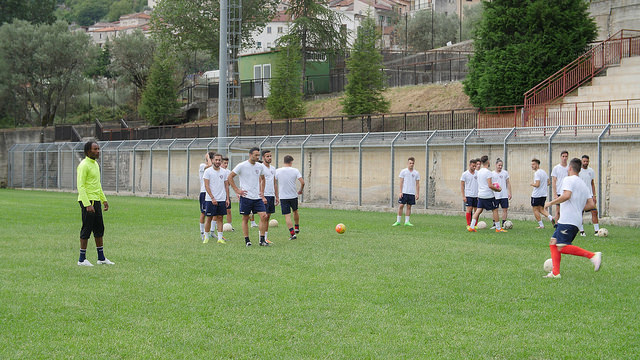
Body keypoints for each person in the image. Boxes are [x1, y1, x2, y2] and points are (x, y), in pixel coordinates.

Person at [543, 157, 602, 278]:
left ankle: (593, 256)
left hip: (568, 220)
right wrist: (578, 207)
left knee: (562, 247)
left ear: (570, 168)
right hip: (575, 220)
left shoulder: (568, 179)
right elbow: (591, 204)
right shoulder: (583, 184)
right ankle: (555, 273)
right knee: (553, 242)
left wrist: (550, 203)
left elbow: (566, 195)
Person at [76, 140, 114, 266]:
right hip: (88, 201)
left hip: (96, 200)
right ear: (88, 151)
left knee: (99, 228)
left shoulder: (95, 164)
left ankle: (101, 258)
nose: (98, 151)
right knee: (87, 228)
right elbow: (80, 186)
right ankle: (82, 259)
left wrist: (103, 199)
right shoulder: (84, 165)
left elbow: (97, 184)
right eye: (95, 149)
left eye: (98, 149)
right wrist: (87, 204)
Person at [228, 147, 269, 247]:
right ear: (250, 155)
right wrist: (237, 190)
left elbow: (263, 179)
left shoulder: (260, 166)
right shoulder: (242, 165)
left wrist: (262, 192)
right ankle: (247, 240)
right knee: (245, 218)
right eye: (255, 155)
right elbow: (230, 177)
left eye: (258, 155)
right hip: (246, 197)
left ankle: (262, 240)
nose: (257, 157)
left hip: (257, 197)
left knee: (264, 216)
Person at [468, 155, 505, 232]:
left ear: (481, 163)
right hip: (488, 195)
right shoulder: (488, 172)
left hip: (480, 194)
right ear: (488, 162)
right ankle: (498, 228)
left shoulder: (478, 172)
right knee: (495, 210)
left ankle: (471, 226)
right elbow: (490, 185)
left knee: (478, 210)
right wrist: (498, 189)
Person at [275, 155, 304, 240]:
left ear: (284, 162)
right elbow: (302, 182)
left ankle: (292, 234)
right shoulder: (295, 170)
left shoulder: (278, 171)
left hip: (283, 197)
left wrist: (275, 194)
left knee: (287, 216)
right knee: (295, 211)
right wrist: (300, 190)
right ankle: (297, 227)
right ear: (291, 162)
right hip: (293, 195)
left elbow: (274, 182)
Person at [202, 153, 230, 244]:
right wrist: (212, 198)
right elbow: (206, 186)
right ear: (213, 160)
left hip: (221, 199)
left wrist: (227, 198)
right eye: (216, 160)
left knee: (220, 218)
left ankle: (220, 238)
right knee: (209, 218)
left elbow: (226, 186)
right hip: (210, 199)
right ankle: (206, 237)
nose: (218, 162)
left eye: (219, 160)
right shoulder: (208, 171)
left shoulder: (224, 172)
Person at [392, 157, 420, 226]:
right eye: (410, 163)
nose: (411, 164)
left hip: (411, 193)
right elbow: (401, 182)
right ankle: (398, 221)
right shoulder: (403, 171)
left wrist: (417, 193)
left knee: (409, 207)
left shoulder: (416, 173)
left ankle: (407, 222)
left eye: (412, 163)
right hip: (404, 192)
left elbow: (417, 184)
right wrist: (400, 192)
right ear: (408, 163)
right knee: (401, 205)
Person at [579, 155, 600, 236]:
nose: (585, 163)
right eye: (584, 161)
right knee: (580, 213)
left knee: (594, 211)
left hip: (590, 195)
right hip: (581, 196)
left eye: (587, 161)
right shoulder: (578, 171)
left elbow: (592, 183)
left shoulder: (591, 171)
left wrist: (594, 195)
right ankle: (581, 231)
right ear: (581, 161)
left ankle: (597, 231)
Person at [261, 150, 279, 244]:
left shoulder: (273, 168)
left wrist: (276, 196)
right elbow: (259, 181)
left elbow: (274, 183)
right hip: (264, 195)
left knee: (268, 217)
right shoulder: (261, 168)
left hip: (271, 195)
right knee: (264, 216)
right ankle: (261, 237)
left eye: (270, 156)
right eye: (267, 156)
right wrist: (261, 195)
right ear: (263, 157)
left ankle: (265, 237)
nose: (269, 158)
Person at [531, 158, 554, 228]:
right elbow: (549, 182)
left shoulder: (537, 173)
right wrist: (543, 186)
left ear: (537, 165)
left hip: (536, 195)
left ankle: (541, 225)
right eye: (531, 164)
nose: (532, 166)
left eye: (533, 164)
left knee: (535, 209)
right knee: (541, 209)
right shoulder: (544, 172)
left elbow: (537, 184)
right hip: (543, 194)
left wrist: (532, 184)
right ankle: (551, 218)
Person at [492, 158, 512, 229]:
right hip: (495, 195)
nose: (500, 167)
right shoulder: (492, 174)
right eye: (499, 165)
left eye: (501, 165)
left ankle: (504, 223)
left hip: (504, 194)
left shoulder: (505, 173)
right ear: (496, 165)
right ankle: (495, 223)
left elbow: (508, 183)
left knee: (505, 209)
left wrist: (509, 193)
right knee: (495, 209)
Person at [551, 150, 569, 222]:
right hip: (559, 192)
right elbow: (554, 181)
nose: (564, 158)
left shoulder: (569, 168)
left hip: (567, 191)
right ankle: (556, 224)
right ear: (561, 157)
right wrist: (555, 194)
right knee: (558, 210)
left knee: (567, 210)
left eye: (566, 156)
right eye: (563, 156)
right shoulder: (556, 168)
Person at [460, 159, 478, 227]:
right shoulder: (465, 174)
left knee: (476, 210)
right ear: (470, 165)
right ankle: (468, 224)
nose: (474, 167)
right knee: (469, 209)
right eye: (473, 166)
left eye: (475, 166)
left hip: (476, 195)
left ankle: (475, 224)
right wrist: (463, 196)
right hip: (468, 194)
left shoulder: (477, 173)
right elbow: (462, 185)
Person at [198, 153, 212, 241]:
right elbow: (210, 165)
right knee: (203, 213)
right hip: (204, 192)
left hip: (212, 193)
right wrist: (207, 157)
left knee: (213, 214)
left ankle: (212, 232)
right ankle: (202, 232)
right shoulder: (202, 166)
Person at [221, 156, 234, 231]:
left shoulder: (228, 172)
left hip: (225, 193)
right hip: (218, 194)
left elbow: (229, 184)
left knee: (228, 210)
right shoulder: (218, 171)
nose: (226, 165)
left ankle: (229, 226)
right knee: (219, 212)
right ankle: (216, 226)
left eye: (227, 163)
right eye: (224, 163)